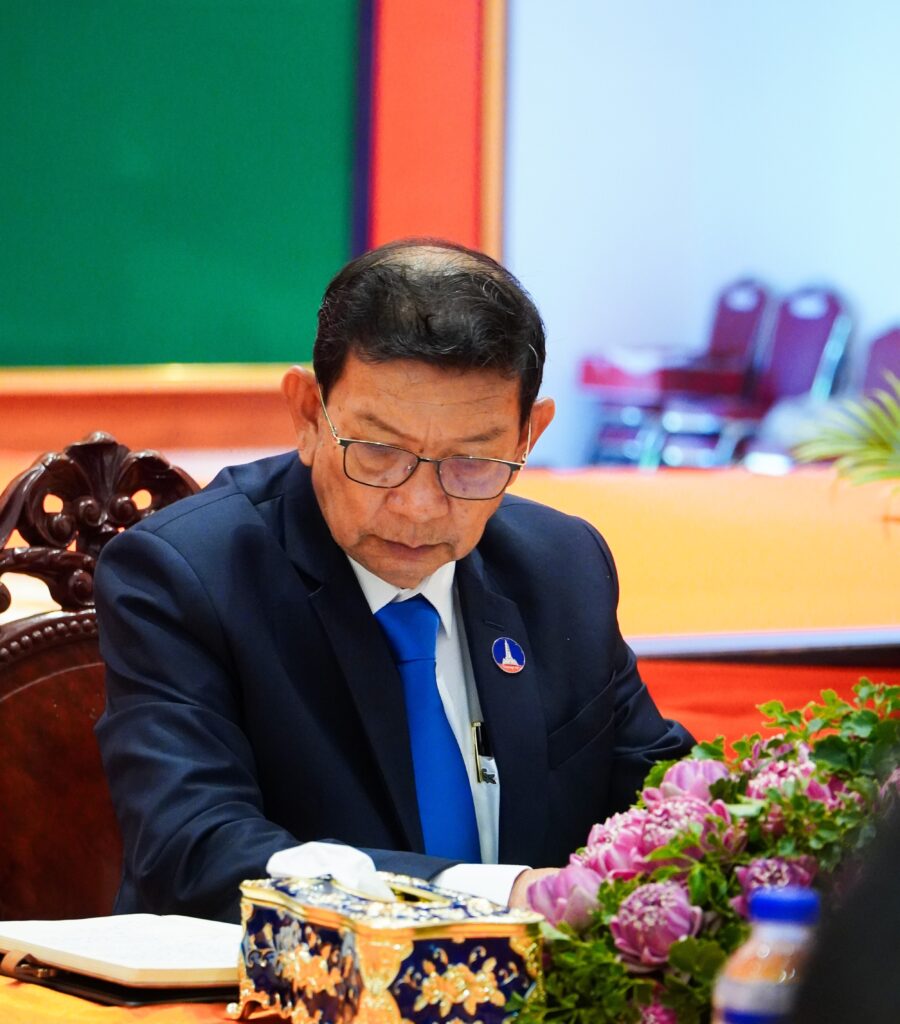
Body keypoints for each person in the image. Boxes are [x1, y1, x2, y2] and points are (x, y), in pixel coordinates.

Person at [94, 239, 693, 923]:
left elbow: (659, 796)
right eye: (379, 452)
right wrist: (498, 896)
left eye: (472, 461)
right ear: (308, 414)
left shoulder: (562, 564)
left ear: (528, 435)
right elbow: (195, 853)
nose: (419, 506)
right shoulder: (186, 576)